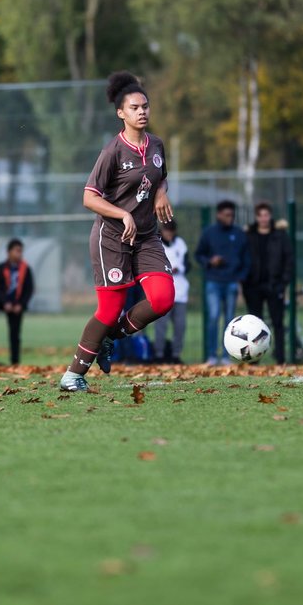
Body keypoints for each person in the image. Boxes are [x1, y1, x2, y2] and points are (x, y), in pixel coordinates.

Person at [58, 70, 175, 392]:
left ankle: (110, 336)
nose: (142, 112)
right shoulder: (112, 152)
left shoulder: (157, 145)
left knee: (163, 299)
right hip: (111, 238)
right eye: (135, 108)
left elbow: (159, 175)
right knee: (109, 309)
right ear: (120, 113)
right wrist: (122, 214)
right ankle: (73, 374)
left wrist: (162, 191)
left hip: (146, 236)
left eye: (145, 106)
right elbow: (88, 197)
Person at [195, 199, 249, 365]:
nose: (230, 218)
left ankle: (226, 356)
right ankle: (212, 355)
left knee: (230, 321)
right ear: (219, 215)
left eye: (232, 215)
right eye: (227, 215)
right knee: (213, 317)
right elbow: (198, 255)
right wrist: (210, 261)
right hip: (214, 282)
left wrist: (241, 277)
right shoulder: (209, 233)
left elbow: (246, 259)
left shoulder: (239, 234)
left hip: (232, 282)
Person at [243, 201, 293, 364]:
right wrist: (245, 281)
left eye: (266, 215)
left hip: (274, 286)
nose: (264, 218)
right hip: (253, 286)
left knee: (278, 323)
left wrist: (283, 282)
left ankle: (280, 358)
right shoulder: (249, 236)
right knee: (254, 325)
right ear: (256, 217)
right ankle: (254, 359)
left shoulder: (280, 236)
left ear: (270, 216)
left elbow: (289, 260)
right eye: (261, 215)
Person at [153, 220, 189, 363]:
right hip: (163, 292)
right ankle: (159, 354)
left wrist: (180, 269)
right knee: (161, 326)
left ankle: (175, 354)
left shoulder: (180, 243)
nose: (169, 233)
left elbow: (187, 264)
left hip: (180, 293)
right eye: (166, 230)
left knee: (180, 326)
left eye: (171, 231)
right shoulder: (157, 244)